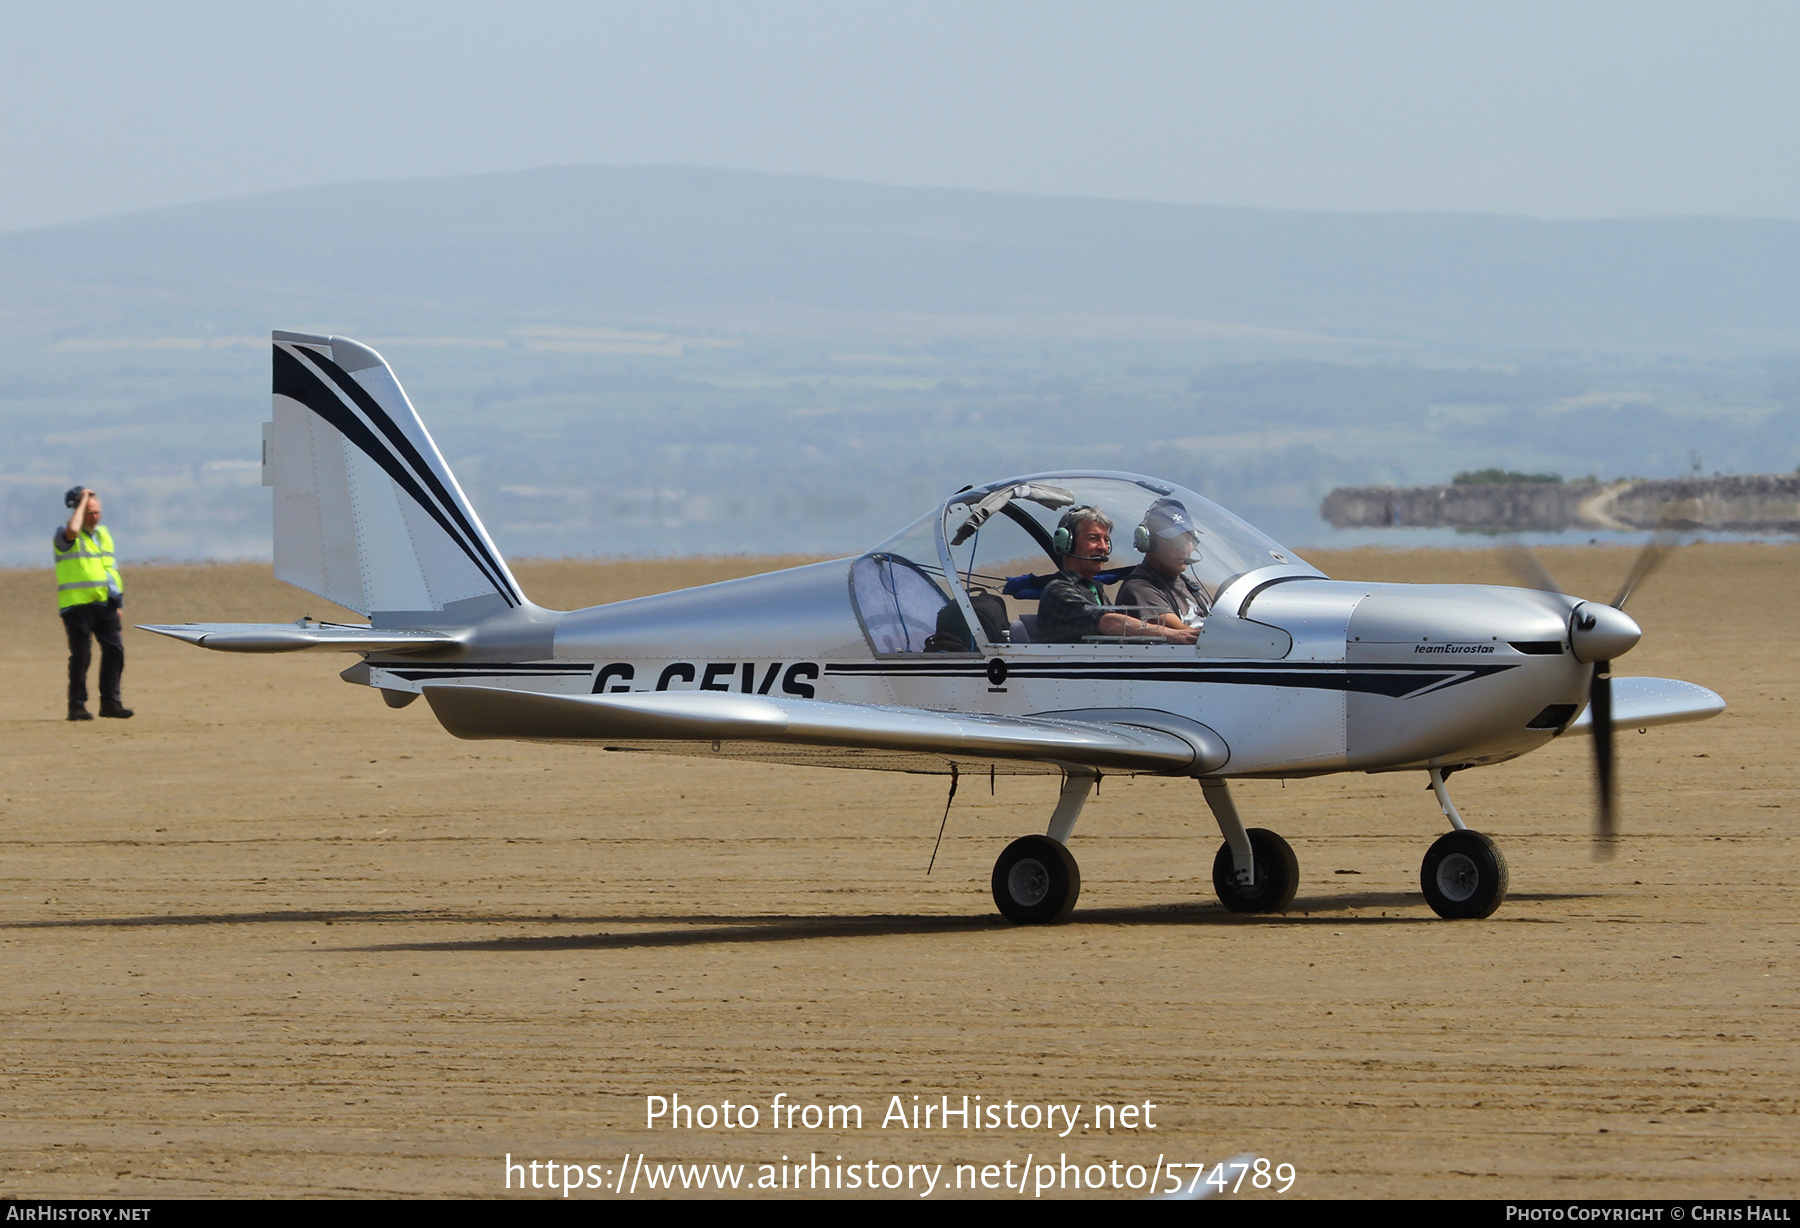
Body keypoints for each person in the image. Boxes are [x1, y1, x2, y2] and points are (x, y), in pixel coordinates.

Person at [1036, 506, 1199, 645]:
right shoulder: (1058, 591)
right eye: (1093, 538)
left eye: (1106, 540)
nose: (1103, 547)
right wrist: (1173, 635)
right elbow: (1108, 622)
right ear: (1066, 542)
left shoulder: (1094, 591)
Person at [55, 486, 131, 721]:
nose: (95, 516)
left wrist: (118, 603)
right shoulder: (64, 533)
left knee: (115, 651)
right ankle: (76, 706)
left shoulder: (103, 534)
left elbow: (110, 569)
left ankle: (110, 702)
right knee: (81, 656)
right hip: (77, 606)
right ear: (78, 511)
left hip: (104, 603)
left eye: (97, 512)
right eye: (89, 512)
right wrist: (83, 501)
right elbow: (73, 529)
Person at [1117, 498, 1210, 630]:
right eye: (1176, 541)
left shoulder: (1193, 587)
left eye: (1189, 539)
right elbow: (1186, 635)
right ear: (1149, 542)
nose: (1184, 548)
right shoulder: (1140, 590)